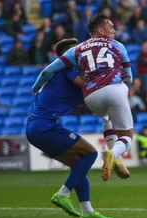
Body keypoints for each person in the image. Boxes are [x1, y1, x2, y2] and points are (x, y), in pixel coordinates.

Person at [32, 13, 133, 182]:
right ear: (100, 30)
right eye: (110, 26)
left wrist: (35, 89)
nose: (114, 29)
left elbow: (47, 71)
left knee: (107, 117)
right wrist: (123, 91)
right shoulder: (118, 45)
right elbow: (128, 76)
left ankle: (116, 160)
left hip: (91, 95)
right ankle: (113, 154)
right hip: (114, 89)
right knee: (127, 135)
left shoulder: (77, 49)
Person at [26, 38, 113, 218]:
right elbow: (88, 86)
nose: (82, 52)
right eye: (77, 50)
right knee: (90, 154)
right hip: (45, 126)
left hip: (35, 127)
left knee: (77, 164)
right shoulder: (69, 70)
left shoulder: (62, 73)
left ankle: (87, 211)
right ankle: (63, 194)